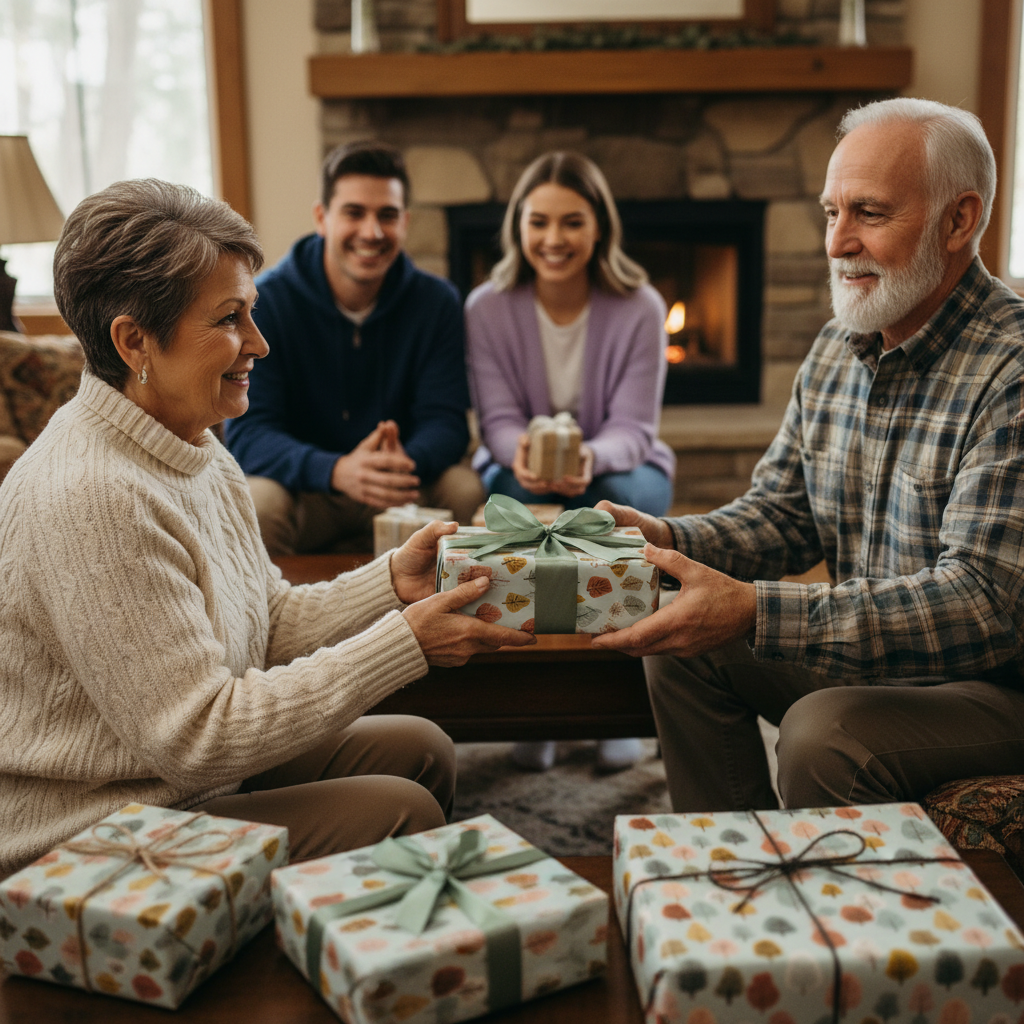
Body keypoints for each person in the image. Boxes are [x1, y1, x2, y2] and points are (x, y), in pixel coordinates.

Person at [0, 179, 535, 879]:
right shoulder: (95, 498)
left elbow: (267, 623)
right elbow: (199, 738)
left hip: (163, 780)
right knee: (401, 811)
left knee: (422, 746)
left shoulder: (191, 440)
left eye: (251, 311)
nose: (260, 342)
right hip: (86, 832)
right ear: (134, 342)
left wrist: (390, 582)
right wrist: (405, 643)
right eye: (229, 319)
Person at [590, 97, 1024, 813]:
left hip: (996, 684)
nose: (836, 242)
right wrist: (667, 540)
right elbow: (782, 515)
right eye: (831, 213)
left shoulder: (1011, 370)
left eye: (870, 213)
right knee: (683, 642)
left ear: (960, 220)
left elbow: (982, 606)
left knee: (824, 734)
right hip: (880, 662)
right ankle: (737, 874)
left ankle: (845, 915)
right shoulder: (836, 348)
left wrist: (757, 610)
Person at [465, 151, 676, 773]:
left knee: (601, 507)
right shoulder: (487, 306)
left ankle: (607, 700)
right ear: (519, 228)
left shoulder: (640, 305)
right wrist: (522, 458)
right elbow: (497, 421)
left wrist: (587, 458)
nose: (554, 239)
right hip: (517, 467)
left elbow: (635, 428)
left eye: (572, 222)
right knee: (514, 503)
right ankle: (540, 704)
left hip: (620, 467)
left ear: (599, 228)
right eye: (539, 222)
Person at [223, 140, 483, 556]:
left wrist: (400, 465)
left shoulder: (436, 302)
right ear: (322, 218)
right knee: (258, 502)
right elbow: (250, 434)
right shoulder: (267, 300)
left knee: (465, 488)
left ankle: (446, 618)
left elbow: (448, 421)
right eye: (354, 213)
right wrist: (337, 470)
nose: (372, 232)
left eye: (388, 215)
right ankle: (273, 621)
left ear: (405, 222)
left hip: (402, 484)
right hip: (309, 489)